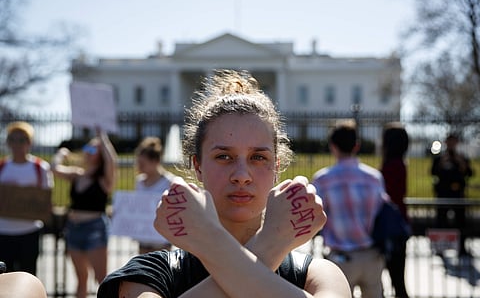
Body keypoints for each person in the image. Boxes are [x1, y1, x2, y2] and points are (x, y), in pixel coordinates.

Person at [97, 69, 351, 297]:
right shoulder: (149, 275)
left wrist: (211, 240)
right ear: (197, 166)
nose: (241, 175)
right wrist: (270, 244)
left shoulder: (318, 276)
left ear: (277, 167)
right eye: (224, 157)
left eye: (258, 157)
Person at [312, 119, 387, 298]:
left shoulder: (323, 179)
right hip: (371, 255)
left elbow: (315, 216)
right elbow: (380, 211)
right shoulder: (374, 177)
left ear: (333, 146)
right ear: (356, 146)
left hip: (340, 257)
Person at [52, 128, 117, 298]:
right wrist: (61, 153)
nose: (88, 152)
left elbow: (112, 162)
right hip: (74, 228)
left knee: (101, 279)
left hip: (94, 228)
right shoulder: (77, 174)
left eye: (94, 149)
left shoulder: (104, 180)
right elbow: (55, 169)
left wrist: (102, 138)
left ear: (101, 154)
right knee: (81, 278)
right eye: (88, 148)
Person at [0, 121, 54, 275]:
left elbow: (46, 199)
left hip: (29, 232)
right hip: (3, 232)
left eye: (22, 139)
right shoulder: (2, 167)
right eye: (13, 139)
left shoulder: (40, 168)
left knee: (28, 277)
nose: (17, 144)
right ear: (8, 142)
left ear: (30, 142)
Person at [431, 133, 474, 256]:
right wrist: (442, 163)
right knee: (441, 221)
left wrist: (461, 163)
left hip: (458, 194)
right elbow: (433, 172)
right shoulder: (440, 158)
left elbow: (470, 173)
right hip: (443, 193)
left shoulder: (461, 157)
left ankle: (462, 248)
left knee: (461, 221)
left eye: (453, 141)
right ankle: (439, 248)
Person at [380, 122, 410, 298]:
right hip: (399, 223)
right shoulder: (400, 164)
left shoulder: (392, 166)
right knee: (397, 277)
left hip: (391, 226)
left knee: (396, 278)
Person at [134, 136, 175, 253]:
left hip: (162, 241)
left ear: (155, 161)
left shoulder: (169, 182)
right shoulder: (139, 181)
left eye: (142, 163)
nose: (138, 167)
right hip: (143, 240)